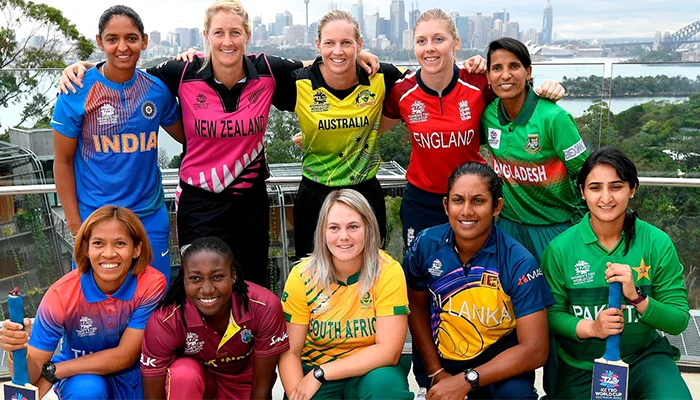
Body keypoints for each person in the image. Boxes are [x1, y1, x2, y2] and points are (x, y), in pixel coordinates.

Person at [59, 0, 378, 288]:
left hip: (249, 198)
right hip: (199, 202)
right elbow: (128, 72)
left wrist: (356, 54)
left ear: (248, 35)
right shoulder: (181, 72)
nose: (227, 41)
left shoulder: (268, 70)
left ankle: (254, 349)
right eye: (219, 33)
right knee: (201, 286)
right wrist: (84, 68)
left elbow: (321, 67)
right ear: (206, 35)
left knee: (252, 283)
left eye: (235, 33)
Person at [382, 9, 565, 251]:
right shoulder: (402, 92)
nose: (430, 48)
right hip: (422, 199)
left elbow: (516, 94)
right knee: (420, 272)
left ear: (456, 43)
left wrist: (548, 89)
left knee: (477, 272)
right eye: (421, 41)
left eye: (439, 39)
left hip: (473, 197)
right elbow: (371, 128)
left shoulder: (478, 82)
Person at [541, 147, 691, 400]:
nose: (606, 197)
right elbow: (551, 315)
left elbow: (678, 321)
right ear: (582, 192)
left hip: (644, 359)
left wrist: (637, 298)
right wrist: (591, 327)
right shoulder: (560, 249)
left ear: (632, 189)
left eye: (616, 187)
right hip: (582, 364)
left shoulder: (656, 242)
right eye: (595, 187)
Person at [52, 5, 183, 284]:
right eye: (112, 39)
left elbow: (190, 137)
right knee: (101, 306)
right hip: (97, 220)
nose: (122, 47)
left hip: (149, 216)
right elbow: (62, 162)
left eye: (131, 38)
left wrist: (194, 65)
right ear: (100, 42)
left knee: (156, 299)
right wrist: (77, 227)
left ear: (144, 41)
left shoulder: (156, 90)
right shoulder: (76, 90)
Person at [403, 162, 554, 400]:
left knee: (516, 396)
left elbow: (535, 349)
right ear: (446, 205)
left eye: (478, 201)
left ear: (497, 207)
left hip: (501, 372)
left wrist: (467, 380)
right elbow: (417, 307)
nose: (466, 211)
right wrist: (436, 372)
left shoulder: (519, 261)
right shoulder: (424, 245)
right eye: (458, 200)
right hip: (442, 367)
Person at [0, 205, 166, 400]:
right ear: (86, 248)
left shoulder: (152, 284)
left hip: (133, 374)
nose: (109, 253)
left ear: (137, 249)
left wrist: (54, 371)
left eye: (120, 243)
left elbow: (125, 356)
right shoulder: (60, 295)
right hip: (80, 379)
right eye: (98, 243)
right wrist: (15, 350)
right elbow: (28, 377)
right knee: (87, 389)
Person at [279, 189, 412, 400]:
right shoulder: (302, 275)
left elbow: (389, 351)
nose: (344, 236)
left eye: (353, 227)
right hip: (315, 367)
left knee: (386, 386)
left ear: (368, 229)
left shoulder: (388, 271)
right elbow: (290, 352)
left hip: (370, 371)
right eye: (334, 228)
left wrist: (320, 374)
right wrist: (298, 392)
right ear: (322, 231)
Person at [481, 37, 588, 264]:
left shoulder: (554, 117)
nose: (506, 75)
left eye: (514, 66)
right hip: (508, 227)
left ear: (528, 72)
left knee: (556, 297)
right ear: (488, 77)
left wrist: (579, 226)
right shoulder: (488, 114)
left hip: (554, 226)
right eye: (497, 68)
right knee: (512, 295)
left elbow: (585, 173)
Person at [140, 236, 289, 400]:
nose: (207, 289)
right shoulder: (166, 320)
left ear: (233, 275)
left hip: (246, 389)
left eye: (217, 276)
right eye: (195, 278)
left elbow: (262, 388)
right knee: (183, 374)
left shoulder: (263, 306)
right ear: (183, 280)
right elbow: (152, 396)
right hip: (202, 390)